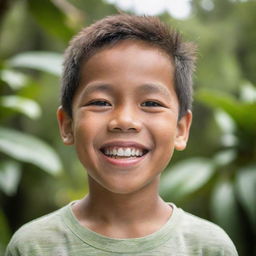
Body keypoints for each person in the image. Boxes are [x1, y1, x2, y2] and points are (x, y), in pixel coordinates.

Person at [5, 14, 238, 255]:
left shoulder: (208, 247)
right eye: (100, 102)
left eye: (150, 103)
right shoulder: (33, 246)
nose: (125, 120)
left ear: (181, 129)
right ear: (67, 125)